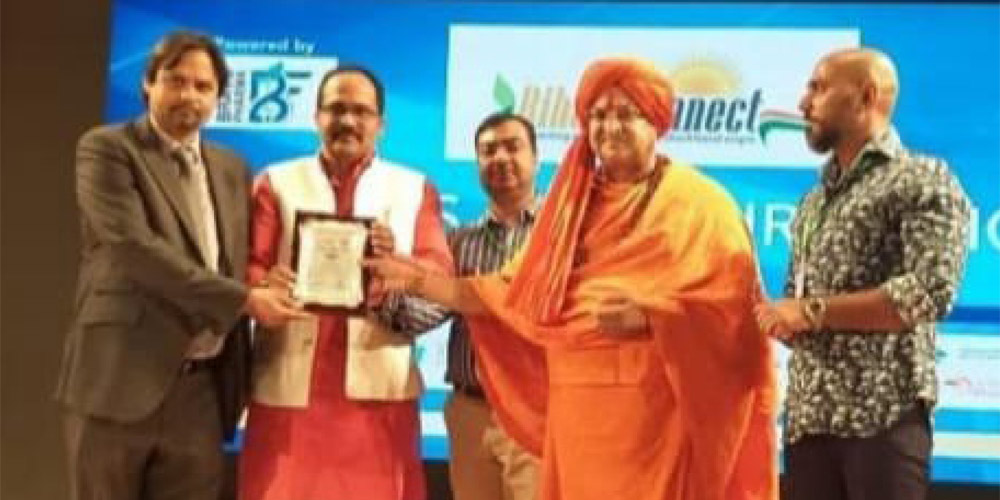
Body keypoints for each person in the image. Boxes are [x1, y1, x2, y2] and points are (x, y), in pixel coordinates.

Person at [367, 57, 777, 500]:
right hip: (578, 417)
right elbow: (509, 293)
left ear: (655, 123)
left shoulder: (703, 204)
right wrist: (417, 280)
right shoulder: (571, 205)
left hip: (660, 417)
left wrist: (653, 317)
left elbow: (735, 313)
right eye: (598, 115)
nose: (610, 127)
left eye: (626, 114)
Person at [55, 30, 304, 500]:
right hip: (119, 380)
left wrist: (261, 280)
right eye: (176, 80)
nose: (189, 95)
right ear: (148, 83)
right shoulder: (108, 148)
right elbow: (134, 248)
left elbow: (230, 261)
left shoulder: (232, 167)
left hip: (203, 389)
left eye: (203, 86)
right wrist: (245, 298)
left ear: (218, 97)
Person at [755, 47, 971, 500]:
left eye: (818, 88)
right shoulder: (813, 201)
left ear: (866, 96)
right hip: (809, 422)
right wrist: (779, 319)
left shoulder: (922, 178)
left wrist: (810, 312)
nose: (803, 103)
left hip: (883, 418)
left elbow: (928, 292)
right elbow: (799, 303)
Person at [238, 65, 453, 500]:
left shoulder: (415, 188)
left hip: (380, 392)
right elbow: (246, 267)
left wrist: (397, 267)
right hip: (289, 384)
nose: (348, 121)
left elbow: (440, 277)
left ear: (381, 123)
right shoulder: (276, 181)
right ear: (316, 117)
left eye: (361, 111)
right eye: (336, 109)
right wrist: (265, 284)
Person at [446, 112, 541, 500]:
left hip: (537, 411)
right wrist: (385, 283)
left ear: (536, 158)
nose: (500, 158)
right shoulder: (458, 240)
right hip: (470, 412)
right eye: (488, 151)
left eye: (512, 147)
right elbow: (425, 311)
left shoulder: (561, 236)